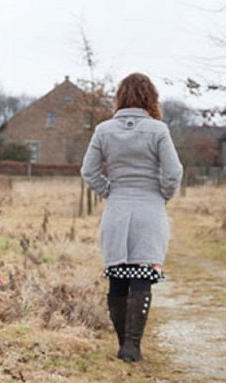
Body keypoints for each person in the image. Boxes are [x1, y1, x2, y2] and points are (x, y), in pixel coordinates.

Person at [80, 73, 183, 363]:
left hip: (117, 208)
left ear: (120, 97)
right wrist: (162, 193)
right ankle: (132, 346)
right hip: (150, 209)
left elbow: (88, 171)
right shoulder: (159, 130)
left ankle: (122, 342)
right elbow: (174, 172)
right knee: (141, 278)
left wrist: (110, 191)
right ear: (151, 97)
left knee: (118, 278)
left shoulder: (103, 130)